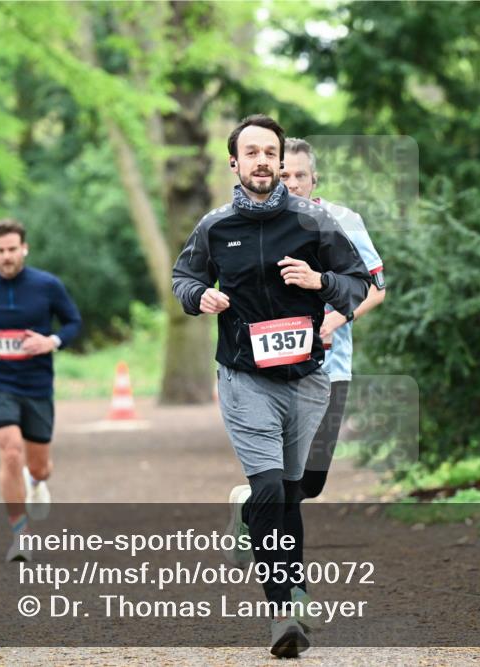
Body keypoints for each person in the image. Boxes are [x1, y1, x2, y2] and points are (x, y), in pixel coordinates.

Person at [172, 114, 371, 657]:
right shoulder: (215, 226)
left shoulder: (315, 222)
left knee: (289, 495)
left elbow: (358, 283)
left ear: (280, 162)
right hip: (243, 378)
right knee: (267, 490)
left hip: (307, 379)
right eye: (251, 152)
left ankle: (290, 583)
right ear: (234, 162)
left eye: (270, 152)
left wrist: (320, 282)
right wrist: (200, 297)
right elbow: (183, 277)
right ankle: (282, 612)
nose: (261, 160)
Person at [275, 137, 386, 619]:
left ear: (314, 180)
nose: (292, 184)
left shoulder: (342, 221)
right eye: (283, 176)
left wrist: (335, 321)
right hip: (276, 372)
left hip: (332, 367)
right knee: (283, 482)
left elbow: (376, 288)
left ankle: (248, 507)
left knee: (311, 483)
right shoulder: (259, 226)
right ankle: (292, 590)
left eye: (299, 175)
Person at [0, 219, 82, 563]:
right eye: (0, 251)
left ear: (24, 249)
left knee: (39, 467)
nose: (7, 256)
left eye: (12, 249)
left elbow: (73, 322)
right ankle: (20, 536)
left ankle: (37, 481)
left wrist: (52, 341)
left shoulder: (47, 286)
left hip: (37, 385)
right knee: (10, 452)